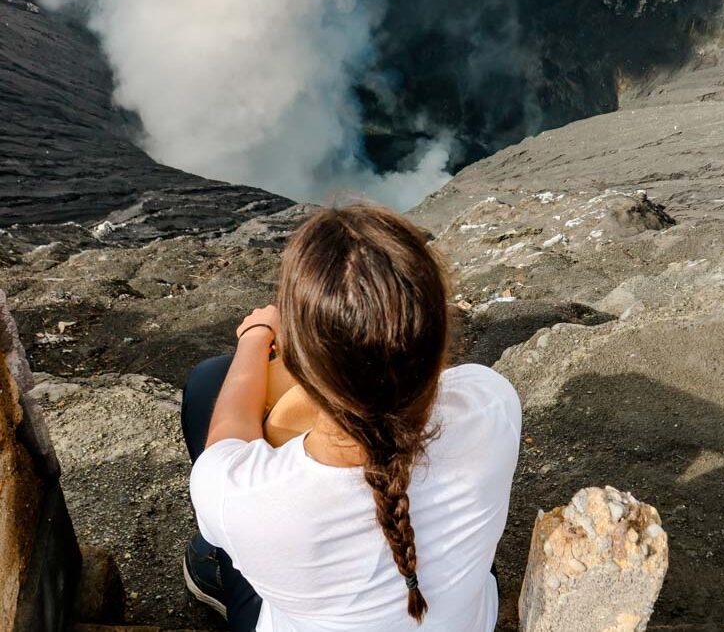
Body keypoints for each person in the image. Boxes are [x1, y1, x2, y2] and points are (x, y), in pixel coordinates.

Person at [181, 205, 522, 631]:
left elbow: (228, 434)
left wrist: (256, 336)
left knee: (207, 384)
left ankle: (221, 575)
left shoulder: (237, 498)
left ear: (299, 362)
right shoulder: (492, 401)